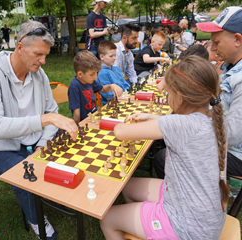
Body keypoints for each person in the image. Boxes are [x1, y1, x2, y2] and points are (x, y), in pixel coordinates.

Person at [100, 55, 228, 240]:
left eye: (168, 92)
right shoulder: (214, 118)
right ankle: (143, 229)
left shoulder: (178, 125)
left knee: (107, 218)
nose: (167, 96)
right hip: (204, 215)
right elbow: (181, 125)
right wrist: (154, 118)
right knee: (126, 187)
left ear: (180, 98)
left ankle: (150, 227)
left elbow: (120, 131)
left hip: (187, 228)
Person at [0, 20, 78, 240]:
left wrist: (41, 145)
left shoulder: (39, 75)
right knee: (25, 177)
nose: (43, 61)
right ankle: (37, 219)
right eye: (38, 54)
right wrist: (45, 120)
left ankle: (60, 191)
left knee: (71, 138)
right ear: (19, 47)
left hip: (35, 140)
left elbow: (52, 112)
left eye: (46, 55)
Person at [155, 6, 242, 179]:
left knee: (162, 157)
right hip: (221, 141)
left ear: (237, 40)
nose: (213, 49)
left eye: (217, 43)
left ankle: (185, 203)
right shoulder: (228, 67)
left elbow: (231, 134)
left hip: (233, 154)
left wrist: (184, 126)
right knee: (169, 139)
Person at [68, 50, 122, 122]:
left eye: (95, 73)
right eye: (92, 74)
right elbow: (76, 111)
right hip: (84, 121)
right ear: (80, 74)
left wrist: (111, 86)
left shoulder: (90, 80)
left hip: (95, 115)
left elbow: (102, 89)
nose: (95, 77)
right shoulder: (74, 86)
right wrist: (77, 126)